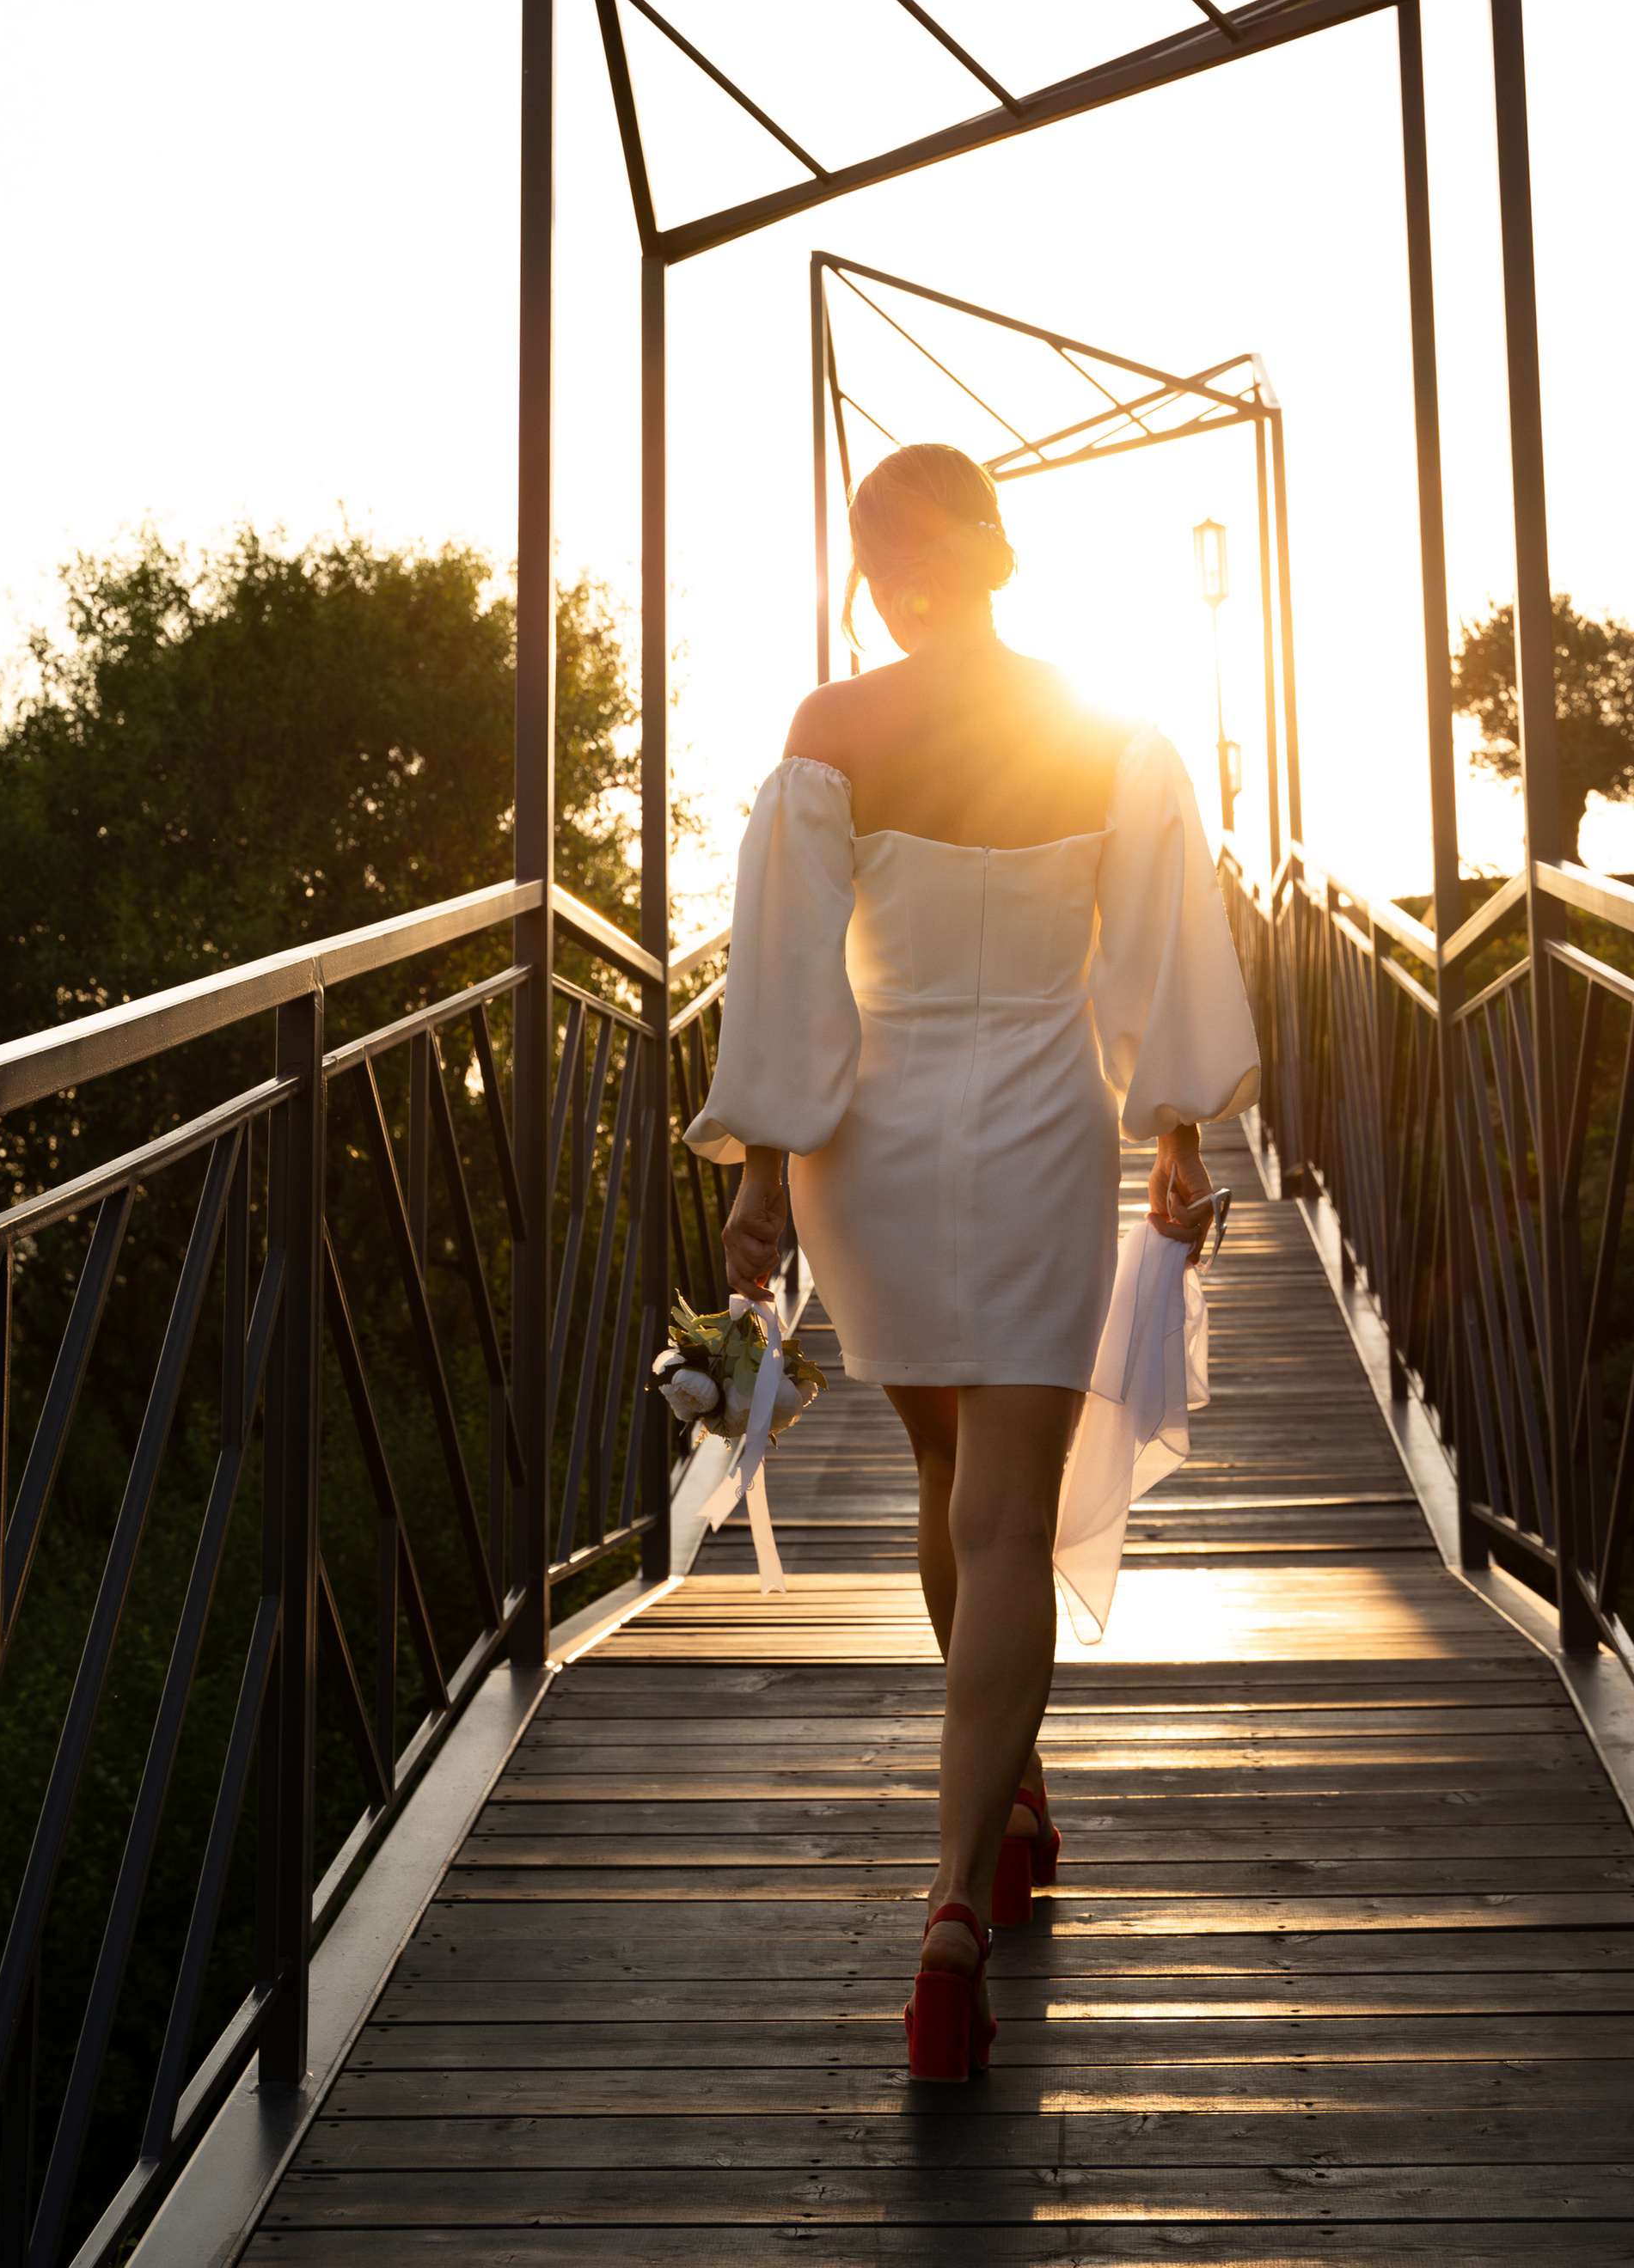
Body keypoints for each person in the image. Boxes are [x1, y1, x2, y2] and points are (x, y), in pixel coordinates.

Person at [685, 442, 1258, 2081]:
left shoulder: (830, 734)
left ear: (882, 576)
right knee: (1004, 1505)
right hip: (1034, 1126)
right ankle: (956, 1898)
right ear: (1000, 558)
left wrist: (773, 1182)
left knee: (952, 1490)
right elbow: (1157, 950)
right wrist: (1173, 1133)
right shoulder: (1111, 738)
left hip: (877, 1140)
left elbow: (793, 976)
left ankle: (999, 1803)